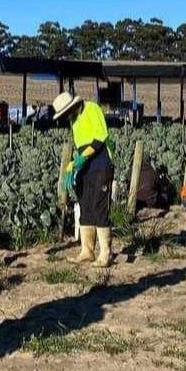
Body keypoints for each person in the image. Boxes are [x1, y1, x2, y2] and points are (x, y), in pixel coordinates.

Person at [54, 92, 114, 268]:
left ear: (73, 106)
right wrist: (75, 166)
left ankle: (106, 254)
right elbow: (81, 145)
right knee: (86, 206)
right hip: (86, 168)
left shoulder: (91, 108)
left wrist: (81, 159)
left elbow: (99, 139)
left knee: (99, 207)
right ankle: (87, 251)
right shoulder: (74, 120)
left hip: (101, 164)